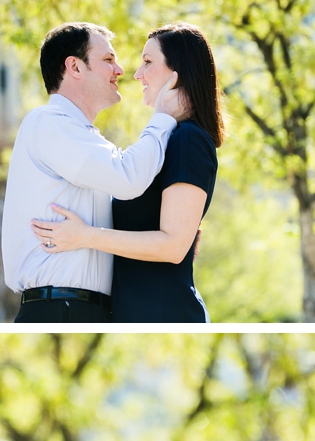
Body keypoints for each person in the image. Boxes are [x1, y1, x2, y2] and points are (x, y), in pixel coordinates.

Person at [31, 23, 225, 322]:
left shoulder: (189, 139)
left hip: (164, 315)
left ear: (178, 73)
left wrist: (85, 236)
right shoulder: (169, 140)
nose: (136, 73)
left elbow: (173, 246)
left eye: (148, 62)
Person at [2, 21, 188, 323]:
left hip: (83, 310)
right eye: (108, 59)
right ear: (74, 67)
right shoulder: (48, 123)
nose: (120, 70)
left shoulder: (84, 139)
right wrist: (163, 118)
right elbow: (129, 178)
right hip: (58, 310)